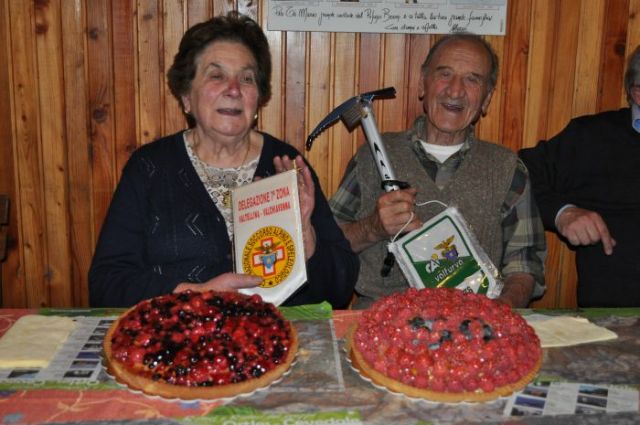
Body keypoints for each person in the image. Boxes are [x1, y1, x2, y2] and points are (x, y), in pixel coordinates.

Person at [89, 12, 358, 308]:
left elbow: (340, 289)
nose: (233, 89)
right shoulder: (150, 167)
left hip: (276, 332)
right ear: (186, 96)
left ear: (258, 99)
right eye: (216, 76)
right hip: (182, 332)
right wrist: (195, 296)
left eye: (246, 78)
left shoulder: (285, 165)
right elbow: (106, 283)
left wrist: (307, 238)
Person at [330, 33, 546, 309]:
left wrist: (501, 308)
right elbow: (328, 243)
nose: (455, 90)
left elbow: (525, 261)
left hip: (473, 320)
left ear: (487, 98)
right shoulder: (371, 157)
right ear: (423, 83)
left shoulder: (506, 168)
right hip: (381, 317)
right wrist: (372, 228)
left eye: (472, 79)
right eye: (445, 74)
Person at [519, 46, 640, 307]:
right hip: (616, 317)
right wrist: (562, 212)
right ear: (637, 93)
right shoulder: (593, 138)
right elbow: (517, 172)